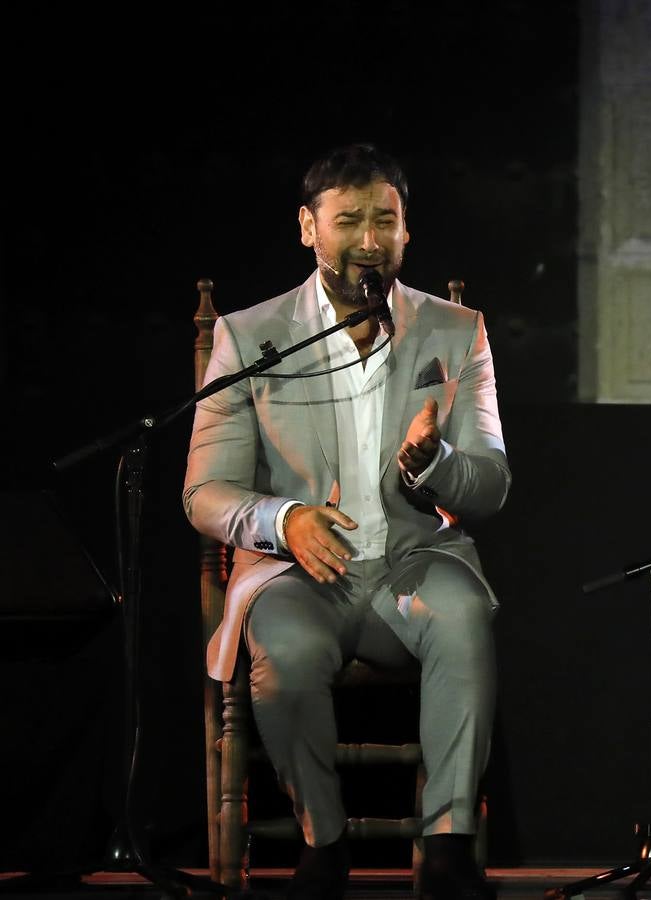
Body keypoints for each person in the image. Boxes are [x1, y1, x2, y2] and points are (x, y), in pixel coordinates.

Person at [183, 143, 511, 900]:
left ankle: (449, 846)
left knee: (463, 617)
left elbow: (490, 486)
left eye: (384, 221)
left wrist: (432, 464)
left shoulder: (454, 330)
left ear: (405, 231)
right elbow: (205, 491)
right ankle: (321, 843)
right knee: (286, 655)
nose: (369, 239)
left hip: (412, 562)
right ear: (309, 228)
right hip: (301, 574)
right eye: (348, 220)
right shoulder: (252, 336)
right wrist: (283, 517)